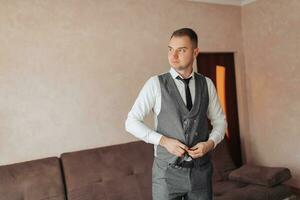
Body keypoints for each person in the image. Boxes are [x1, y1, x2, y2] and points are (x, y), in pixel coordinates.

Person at [125, 28, 227, 200]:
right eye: (170, 49)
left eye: (181, 50)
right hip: (166, 174)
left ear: (195, 52)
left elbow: (220, 122)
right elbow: (131, 122)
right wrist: (163, 141)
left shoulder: (207, 84)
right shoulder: (155, 84)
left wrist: (210, 144)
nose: (173, 55)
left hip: (200, 173)